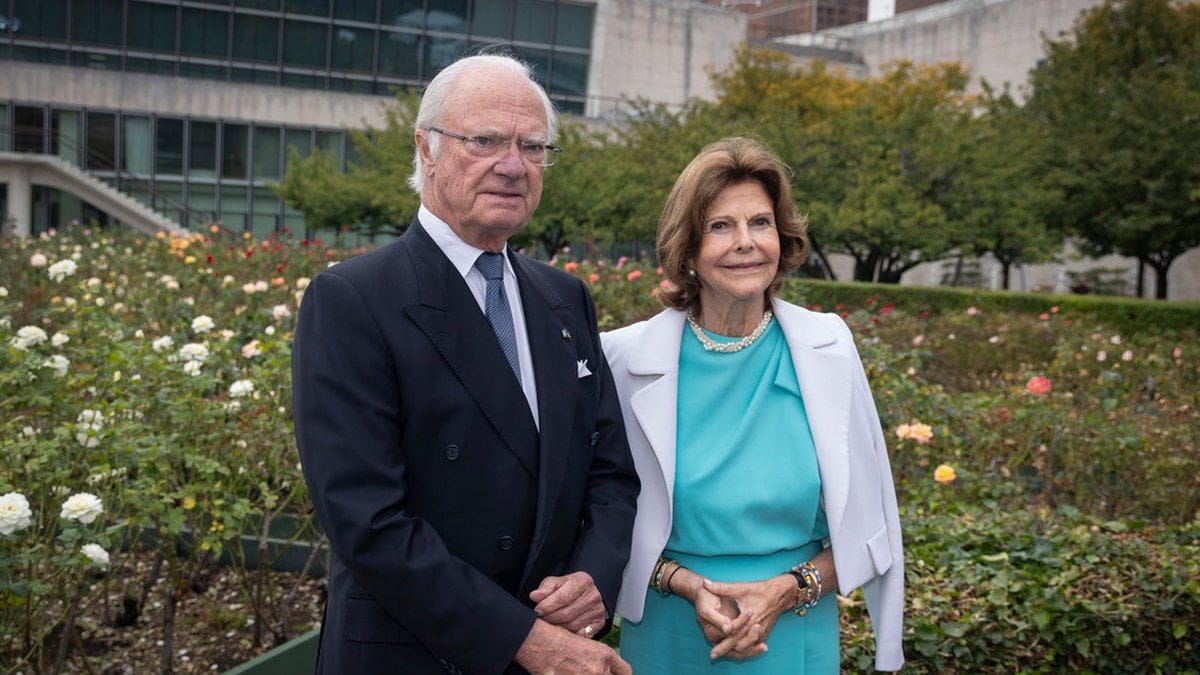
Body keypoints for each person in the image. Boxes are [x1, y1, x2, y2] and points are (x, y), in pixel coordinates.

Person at [292, 54, 640, 675]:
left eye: (532, 147)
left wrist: (594, 576)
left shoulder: (564, 298)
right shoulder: (353, 299)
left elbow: (610, 474)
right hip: (416, 655)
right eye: (485, 141)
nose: (513, 165)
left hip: (557, 644)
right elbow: (367, 520)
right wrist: (525, 640)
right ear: (426, 148)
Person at [602, 137, 904, 673]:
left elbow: (869, 525)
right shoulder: (624, 357)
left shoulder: (828, 346)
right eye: (720, 226)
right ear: (687, 249)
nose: (745, 242)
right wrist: (682, 583)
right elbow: (598, 512)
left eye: (760, 223)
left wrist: (787, 590)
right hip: (668, 629)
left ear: (781, 237)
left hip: (795, 631)